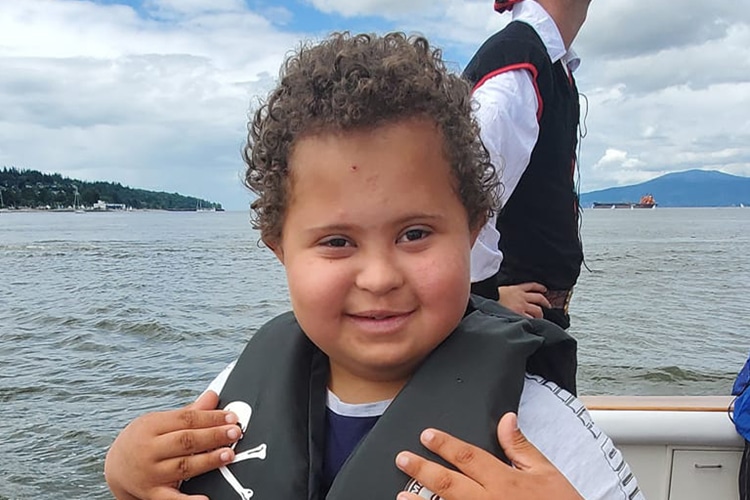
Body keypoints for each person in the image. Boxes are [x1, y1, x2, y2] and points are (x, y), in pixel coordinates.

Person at [103, 32, 642, 500]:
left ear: (475, 231)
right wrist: (126, 478)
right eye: (337, 241)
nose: (380, 277)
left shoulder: (541, 430)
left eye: (415, 234)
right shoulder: (234, 398)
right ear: (279, 249)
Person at [465, 0, 591, 329]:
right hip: (510, 326)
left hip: (528, 321)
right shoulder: (519, 66)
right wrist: (485, 297)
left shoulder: (546, 62)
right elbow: (459, 191)